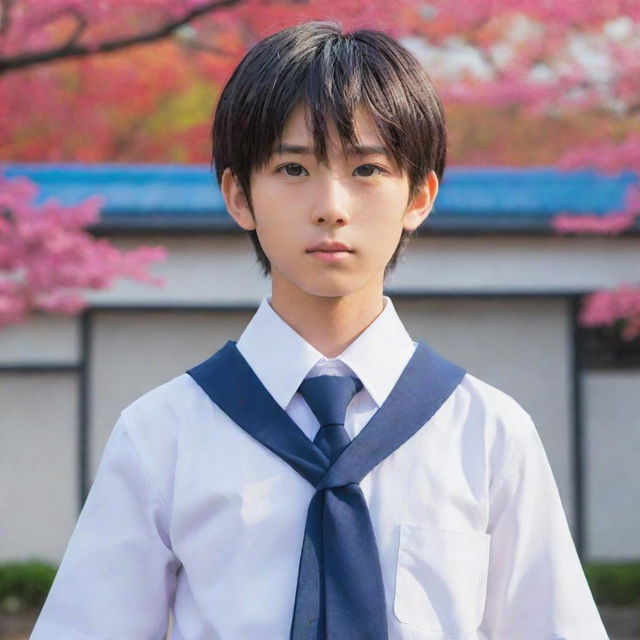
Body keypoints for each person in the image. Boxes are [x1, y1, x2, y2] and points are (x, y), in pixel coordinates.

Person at [31, 21, 608, 640]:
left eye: (366, 170)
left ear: (419, 196)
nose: (331, 205)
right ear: (238, 195)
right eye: (293, 169)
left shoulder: (488, 433)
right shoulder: (163, 434)